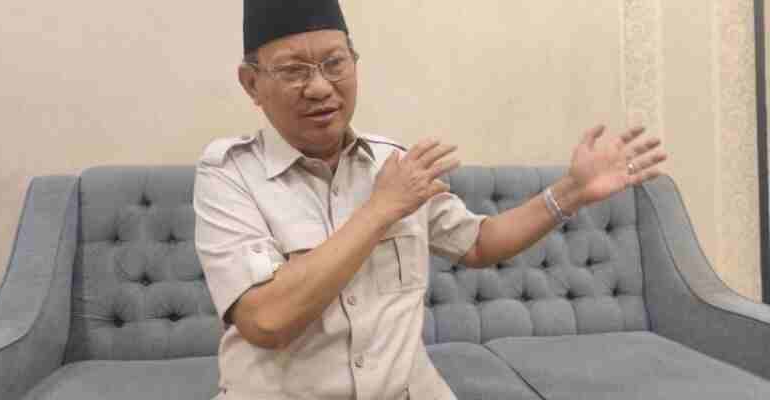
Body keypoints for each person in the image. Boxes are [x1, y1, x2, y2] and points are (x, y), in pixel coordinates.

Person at [193, 1, 667, 399]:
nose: (320, 87)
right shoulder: (229, 175)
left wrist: (571, 191)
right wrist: (381, 209)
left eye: (334, 63)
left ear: (354, 64)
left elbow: (479, 243)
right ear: (252, 83)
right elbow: (267, 320)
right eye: (294, 70)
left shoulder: (394, 164)